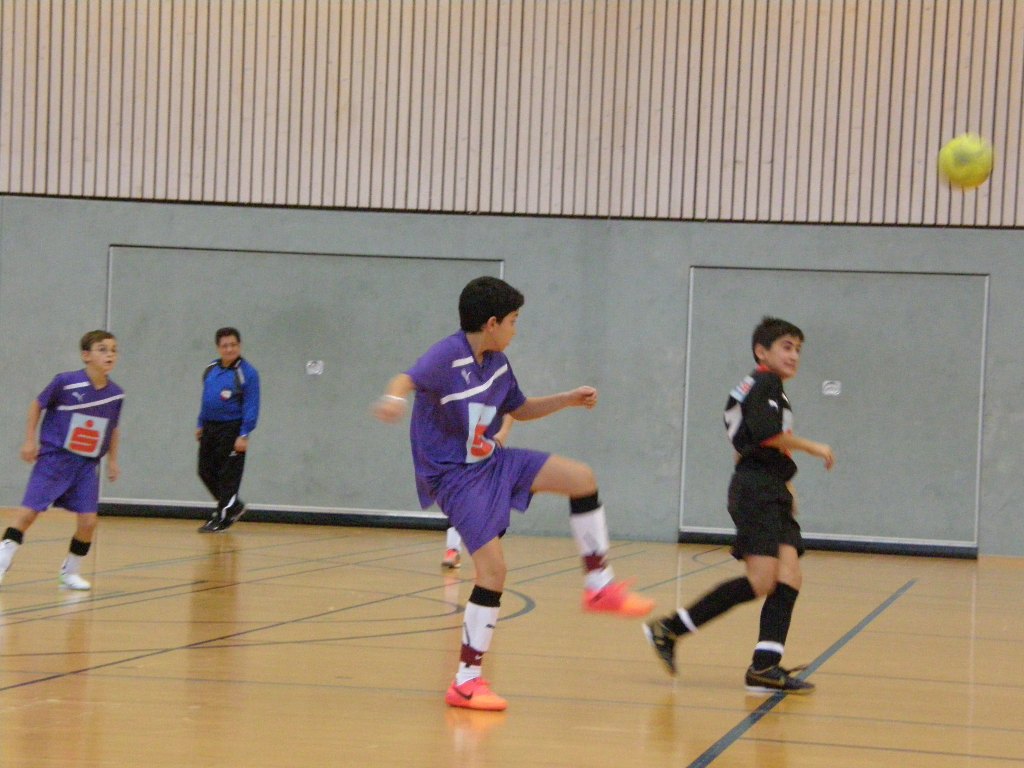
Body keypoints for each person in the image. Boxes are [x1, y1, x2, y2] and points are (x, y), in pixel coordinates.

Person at [373, 276, 653, 712]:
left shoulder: (498, 364)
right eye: (513, 321)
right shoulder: (447, 355)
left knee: (581, 478)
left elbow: (519, 409)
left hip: (492, 461)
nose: (515, 330)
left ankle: (599, 587)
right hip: (455, 477)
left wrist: (567, 399)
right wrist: (393, 399)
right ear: (491, 323)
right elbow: (405, 379)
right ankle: (466, 681)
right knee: (493, 572)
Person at [644, 317, 834, 694]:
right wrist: (813, 447)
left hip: (769, 488)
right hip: (757, 492)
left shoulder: (763, 388)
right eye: (786, 347)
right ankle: (670, 628)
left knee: (790, 575)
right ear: (762, 352)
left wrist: (785, 483)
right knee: (762, 581)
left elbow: (746, 446)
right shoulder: (764, 382)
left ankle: (765, 666)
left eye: (798, 349)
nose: (794, 355)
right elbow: (766, 436)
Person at [0, 330, 125, 591]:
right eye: (102, 349)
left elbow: (113, 428)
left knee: (88, 522)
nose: (109, 355)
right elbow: (37, 405)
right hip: (54, 460)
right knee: (28, 514)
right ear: (86, 355)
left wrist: (113, 460)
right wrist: (30, 440)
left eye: (113, 350)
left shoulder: (116, 394)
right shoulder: (66, 382)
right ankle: (2, 562)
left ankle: (70, 572)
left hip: (86, 466)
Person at [196, 327, 260, 533]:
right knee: (205, 471)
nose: (229, 349)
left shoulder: (247, 373)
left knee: (228, 475)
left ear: (239, 346)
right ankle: (233, 506)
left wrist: (244, 434)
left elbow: (251, 405)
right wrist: (200, 424)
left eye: (233, 345)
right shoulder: (211, 369)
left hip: (232, 429)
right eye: (225, 346)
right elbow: (206, 399)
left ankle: (223, 518)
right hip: (210, 427)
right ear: (218, 348)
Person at [442, 415, 513, 569]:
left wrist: (503, 432)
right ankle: (452, 550)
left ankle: (488, 551)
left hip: (489, 444)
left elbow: (511, 409)